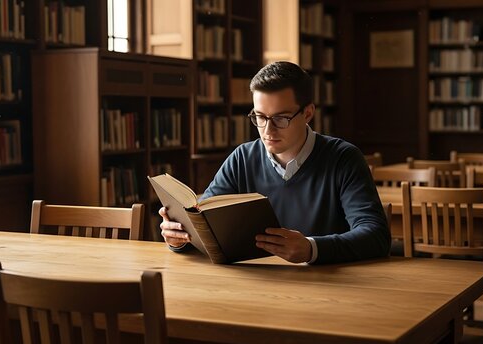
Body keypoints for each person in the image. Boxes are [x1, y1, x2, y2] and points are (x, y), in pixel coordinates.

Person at [159, 61, 390, 264]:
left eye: (280, 118)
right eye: (259, 117)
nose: (268, 130)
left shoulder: (344, 158)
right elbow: (205, 224)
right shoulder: (242, 159)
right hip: (258, 287)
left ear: (308, 113)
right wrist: (179, 237)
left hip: (327, 291)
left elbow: (376, 236)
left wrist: (312, 249)